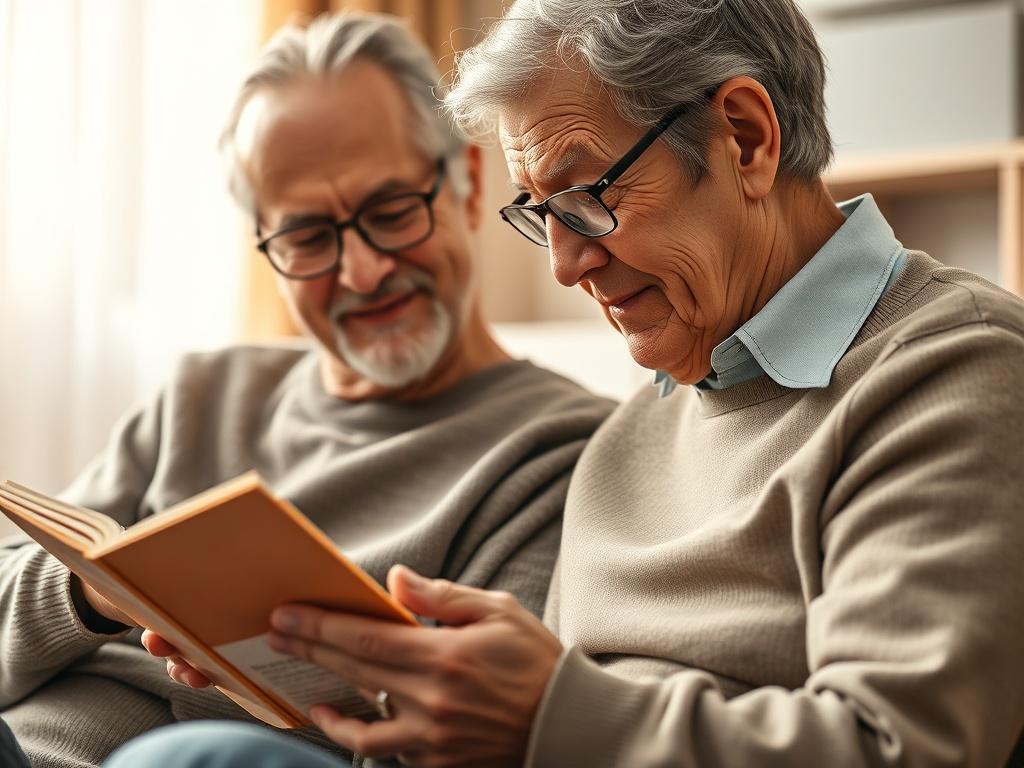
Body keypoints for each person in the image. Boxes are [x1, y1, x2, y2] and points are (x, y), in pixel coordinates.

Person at [103, 0, 1024, 766]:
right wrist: (377, 686)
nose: (567, 266)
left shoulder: (951, 370)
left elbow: (900, 747)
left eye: (587, 197)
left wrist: (547, 713)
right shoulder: (636, 432)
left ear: (745, 138)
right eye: (540, 215)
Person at [0, 11, 614, 768]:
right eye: (308, 238)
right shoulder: (201, 396)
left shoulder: (563, 454)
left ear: (466, 184)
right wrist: (92, 596)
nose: (362, 271)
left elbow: (469, 733)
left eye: (390, 212)